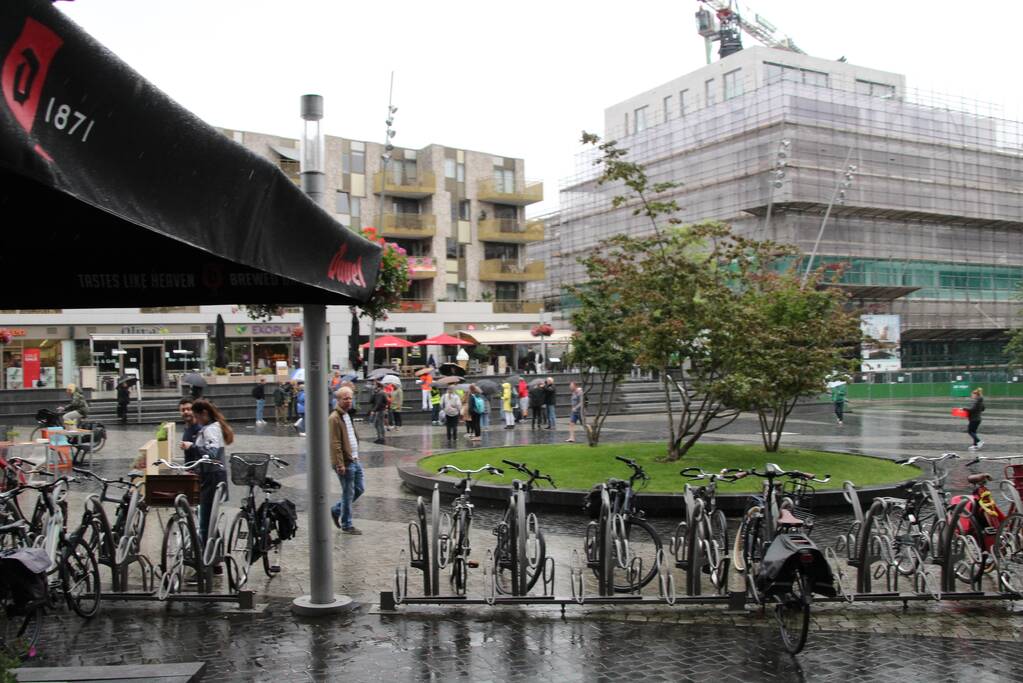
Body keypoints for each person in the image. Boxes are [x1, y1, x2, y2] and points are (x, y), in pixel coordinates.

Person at [187, 399, 234, 551]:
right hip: (213, 475)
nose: (196, 420)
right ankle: (212, 556)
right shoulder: (212, 427)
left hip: (212, 476)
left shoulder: (211, 429)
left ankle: (207, 559)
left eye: (197, 416)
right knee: (208, 520)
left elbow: (212, 453)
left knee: (205, 522)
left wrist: (192, 446)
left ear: (204, 414)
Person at [329, 387, 364, 535]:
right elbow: (335, 443)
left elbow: (350, 436)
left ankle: (337, 510)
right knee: (348, 493)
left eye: (350, 398)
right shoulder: (335, 418)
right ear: (338, 400)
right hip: (346, 462)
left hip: (354, 458)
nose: (349, 401)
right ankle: (346, 524)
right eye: (345, 398)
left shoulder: (347, 415)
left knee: (359, 489)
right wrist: (340, 464)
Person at [178, 397, 201, 466]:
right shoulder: (187, 427)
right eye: (183, 410)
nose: (186, 412)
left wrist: (190, 446)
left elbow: (207, 451)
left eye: (188, 409)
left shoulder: (201, 428)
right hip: (189, 469)